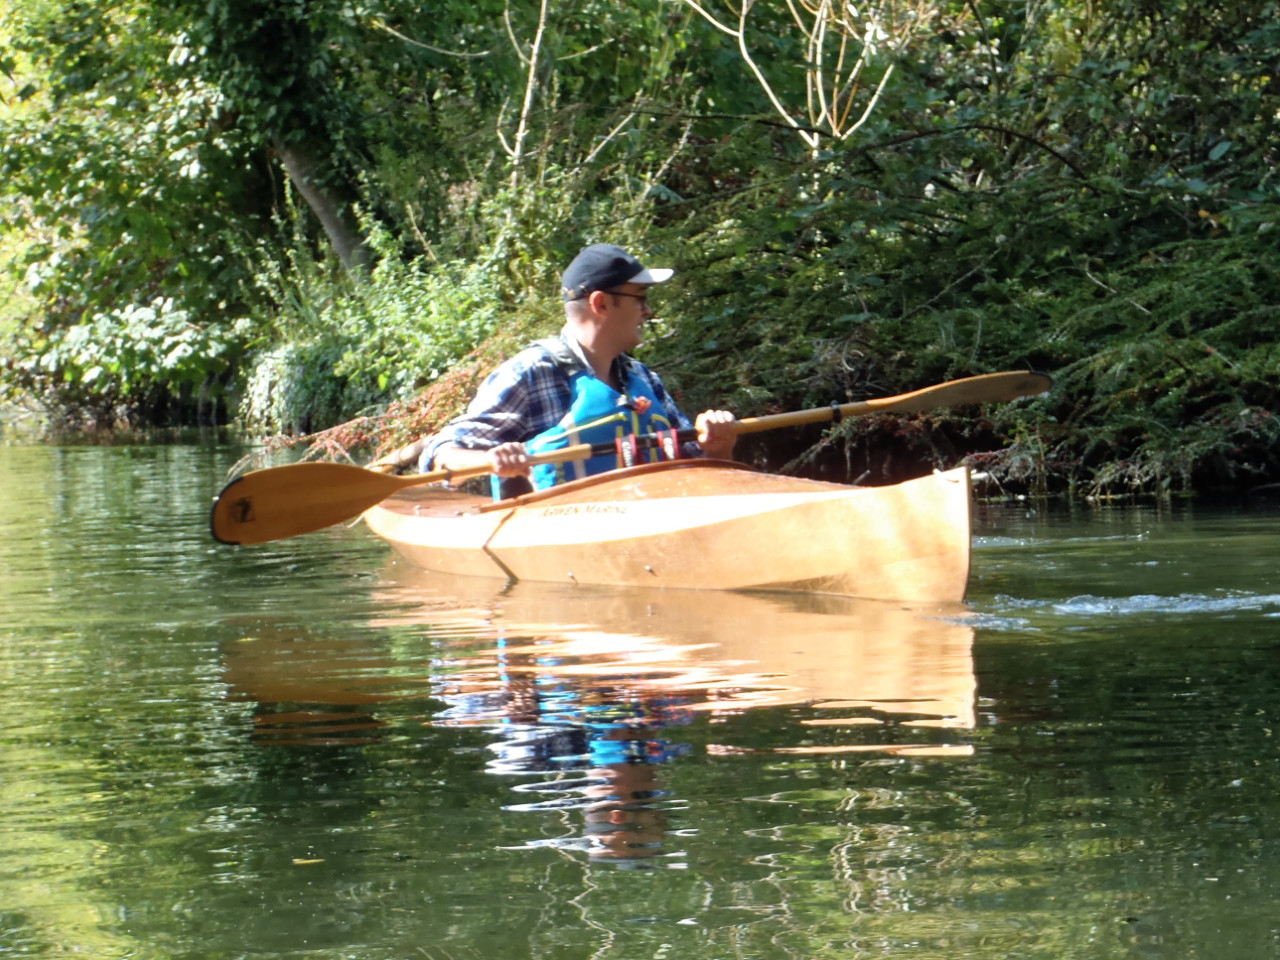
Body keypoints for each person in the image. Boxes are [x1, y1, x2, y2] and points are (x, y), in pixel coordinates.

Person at [372, 243, 737, 495]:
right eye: (640, 299)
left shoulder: (645, 381)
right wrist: (491, 459)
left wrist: (718, 444)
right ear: (601, 303)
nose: (649, 311)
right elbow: (439, 451)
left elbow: (700, 465)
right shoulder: (530, 374)